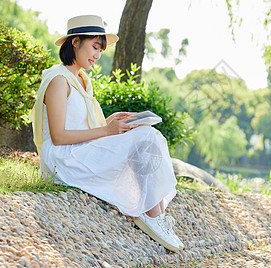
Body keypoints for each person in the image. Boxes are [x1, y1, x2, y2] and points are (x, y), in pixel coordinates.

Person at [29, 15, 183, 252]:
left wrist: (111, 122)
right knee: (145, 138)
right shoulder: (58, 80)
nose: (98, 55)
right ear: (75, 42)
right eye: (94, 47)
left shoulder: (81, 79)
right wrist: (107, 130)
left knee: (146, 132)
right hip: (63, 158)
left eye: (100, 49)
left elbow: (81, 125)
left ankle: (157, 214)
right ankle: (152, 215)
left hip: (79, 150)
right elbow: (58, 136)